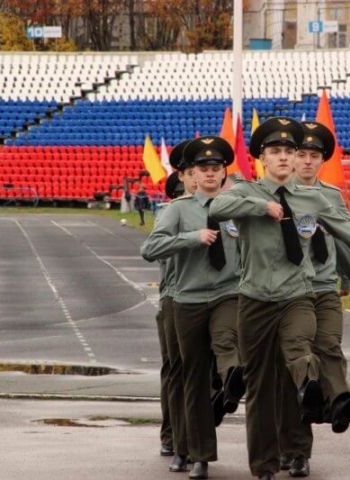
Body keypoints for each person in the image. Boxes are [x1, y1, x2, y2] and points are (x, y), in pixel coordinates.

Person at [209, 117, 350, 480]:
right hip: (254, 301)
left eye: (288, 151)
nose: (283, 157)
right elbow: (216, 209)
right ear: (262, 158)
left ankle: (310, 387)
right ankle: (263, 466)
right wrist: (262, 208)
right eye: (275, 151)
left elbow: (346, 231)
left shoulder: (313, 199)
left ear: (295, 159)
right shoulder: (246, 193)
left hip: (298, 295)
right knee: (260, 387)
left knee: (301, 346)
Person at [141, 136, 244, 480]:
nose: (211, 173)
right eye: (204, 168)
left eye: (217, 168)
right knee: (193, 379)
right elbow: (151, 247)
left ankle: (233, 376)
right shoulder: (177, 209)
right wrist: (192, 238)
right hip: (186, 301)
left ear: (224, 172)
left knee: (226, 339)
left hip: (227, 294)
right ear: (192, 175)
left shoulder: (236, 206)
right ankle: (196, 453)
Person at [277, 121, 350, 478]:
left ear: (321, 161)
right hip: (287, 294)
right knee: (296, 373)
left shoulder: (331, 196)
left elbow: (342, 239)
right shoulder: (276, 194)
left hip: (323, 288)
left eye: (314, 156)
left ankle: (338, 405)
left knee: (329, 347)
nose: (306, 161)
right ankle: (295, 451)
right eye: (300, 154)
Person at [144, 141, 197, 467]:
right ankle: (173, 436)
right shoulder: (172, 214)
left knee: (197, 374)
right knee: (176, 371)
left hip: (207, 300)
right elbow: (155, 249)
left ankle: (190, 437)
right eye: (189, 177)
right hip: (174, 299)